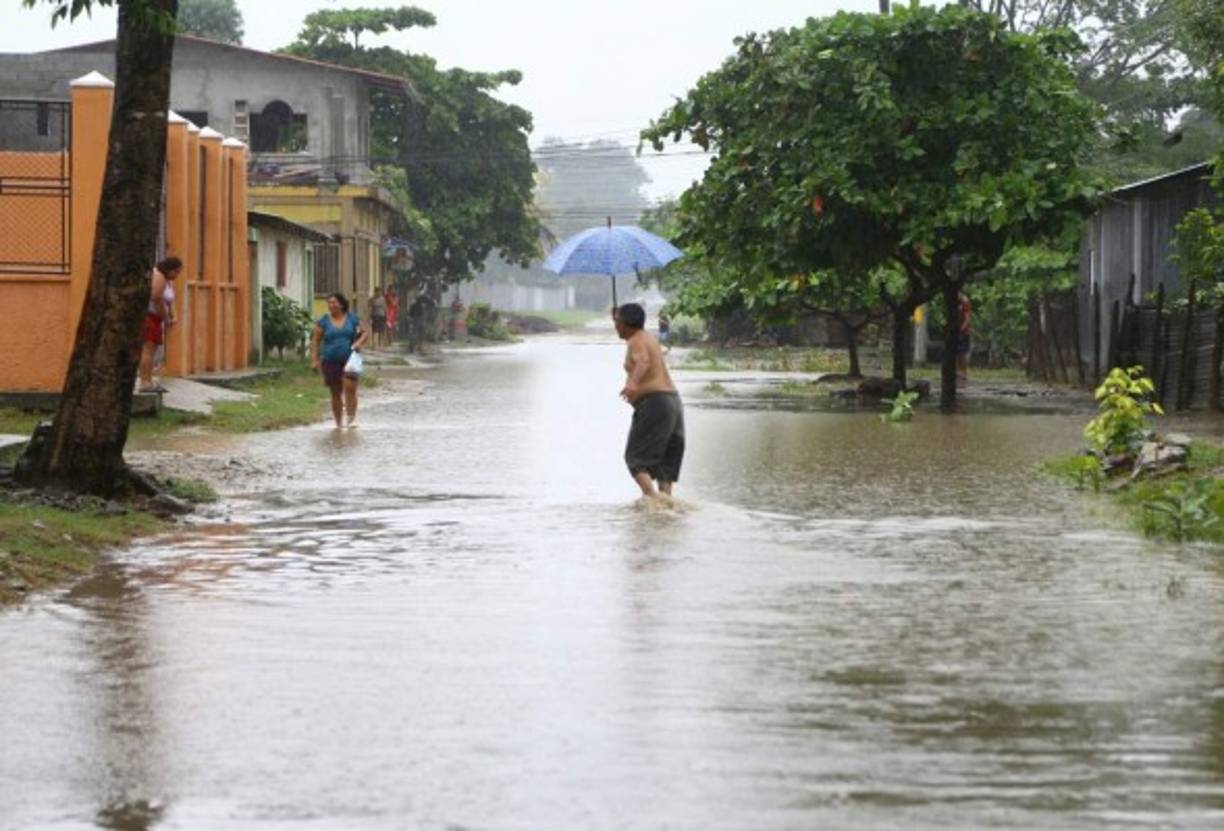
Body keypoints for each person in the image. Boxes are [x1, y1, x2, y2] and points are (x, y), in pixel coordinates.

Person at [615, 302, 685, 499]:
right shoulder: (648, 337)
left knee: (635, 459)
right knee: (665, 465)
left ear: (625, 323)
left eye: (617, 322)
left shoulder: (635, 340)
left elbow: (643, 361)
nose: (615, 326)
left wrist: (633, 384)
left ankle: (652, 501)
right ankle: (666, 507)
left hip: (655, 403)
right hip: (673, 402)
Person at [311, 292, 368, 428]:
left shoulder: (352, 319)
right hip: (330, 360)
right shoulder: (323, 321)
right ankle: (338, 423)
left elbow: (365, 333)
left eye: (334, 302)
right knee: (335, 392)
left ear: (341, 305)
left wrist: (358, 343)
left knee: (350, 388)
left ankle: (351, 418)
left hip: (351, 360)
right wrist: (314, 360)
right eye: (329, 303)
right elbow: (315, 342)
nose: (331, 305)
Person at [138, 256, 183, 393]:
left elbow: (170, 300)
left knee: (152, 350)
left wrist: (173, 315)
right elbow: (156, 298)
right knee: (148, 349)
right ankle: (145, 381)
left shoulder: (168, 281)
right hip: (150, 317)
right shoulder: (159, 277)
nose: (177, 275)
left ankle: (149, 380)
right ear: (169, 269)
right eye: (176, 272)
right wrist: (165, 317)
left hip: (157, 318)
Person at [957, 289, 972, 384]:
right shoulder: (954, 301)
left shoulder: (965, 301)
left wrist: (961, 329)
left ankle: (964, 373)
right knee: (955, 353)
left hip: (963, 332)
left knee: (962, 353)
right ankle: (958, 372)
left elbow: (967, 319)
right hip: (955, 331)